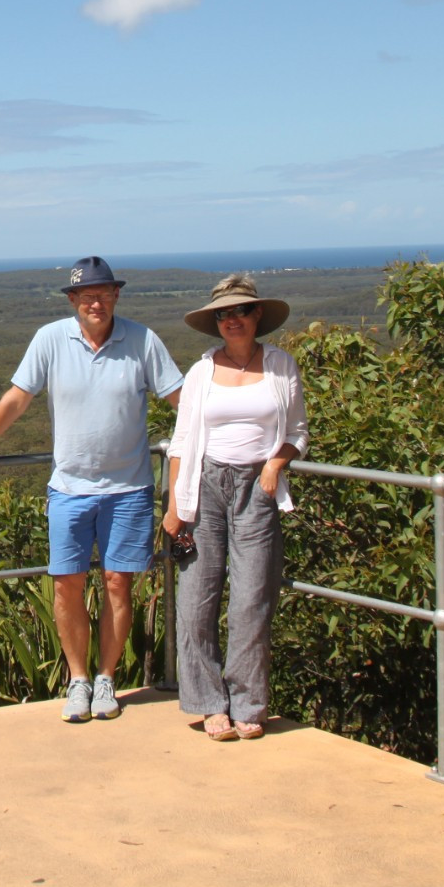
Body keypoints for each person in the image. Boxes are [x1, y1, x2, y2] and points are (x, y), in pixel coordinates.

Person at [0, 255, 182, 723]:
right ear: (72, 300)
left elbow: (182, 401)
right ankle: (79, 680)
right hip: (68, 488)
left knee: (117, 583)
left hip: (128, 489)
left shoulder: (143, 340)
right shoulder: (50, 339)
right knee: (65, 586)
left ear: (116, 296)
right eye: (86, 295)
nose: (96, 302)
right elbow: (16, 400)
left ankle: (107, 679)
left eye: (104, 293)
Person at [162, 273, 306, 741]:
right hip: (204, 486)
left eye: (241, 311)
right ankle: (208, 703)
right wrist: (174, 505)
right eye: (223, 314)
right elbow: (182, 440)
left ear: (257, 314)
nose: (232, 320)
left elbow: (298, 432)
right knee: (196, 598)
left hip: (256, 490)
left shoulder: (282, 366)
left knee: (251, 599)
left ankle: (248, 704)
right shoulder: (202, 371)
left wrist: (275, 464)